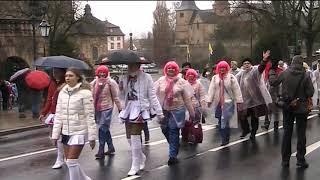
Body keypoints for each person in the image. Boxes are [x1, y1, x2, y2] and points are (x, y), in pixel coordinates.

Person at [269, 55, 314, 169]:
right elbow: (310, 92)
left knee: (287, 134)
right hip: (301, 108)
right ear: (301, 63)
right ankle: (300, 159)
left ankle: (285, 160)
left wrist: (272, 71)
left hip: (288, 107)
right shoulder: (306, 75)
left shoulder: (285, 73)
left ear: (292, 62)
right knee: (301, 134)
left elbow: (273, 83)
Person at [119, 62, 163, 176]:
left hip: (140, 109)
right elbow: (122, 96)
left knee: (134, 137)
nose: (131, 67)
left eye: (133, 65)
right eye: (129, 65)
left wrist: (159, 112)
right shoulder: (124, 77)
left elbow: (152, 95)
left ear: (139, 66)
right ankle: (141, 156)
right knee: (129, 138)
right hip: (128, 109)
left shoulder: (146, 77)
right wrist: (121, 87)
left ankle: (135, 165)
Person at [51, 68, 97, 180]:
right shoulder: (62, 92)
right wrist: (55, 135)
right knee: (69, 161)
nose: (67, 78)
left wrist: (92, 137)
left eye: (71, 76)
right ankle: (84, 178)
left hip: (79, 131)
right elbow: (58, 115)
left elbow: (90, 116)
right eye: (66, 76)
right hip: (66, 131)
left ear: (78, 77)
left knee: (71, 161)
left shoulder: (85, 93)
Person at [154, 61, 195, 165]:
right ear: (166, 69)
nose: (171, 70)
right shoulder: (160, 80)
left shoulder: (182, 82)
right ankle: (174, 145)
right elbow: (153, 94)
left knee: (173, 130)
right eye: (169, 68)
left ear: (176, 70)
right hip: (164, 109)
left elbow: (187, 99)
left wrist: (192, 113)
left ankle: (172, 156)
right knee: (164, 129)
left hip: (177, 110)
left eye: (173, 68)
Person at [236, 51, 272, 141]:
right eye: (244, 64)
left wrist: (264, 60)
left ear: (251, 64)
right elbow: (234, 82)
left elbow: (261, 68)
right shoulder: (240, 74)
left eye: (248, 63)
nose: (246, 65)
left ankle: (253, 133)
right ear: (242, 65)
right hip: (245, 100)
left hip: (255, 100)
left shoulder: (255, 71)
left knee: (254, 118)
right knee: (242, 117)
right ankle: (246, 130)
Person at [207, 61, 243, 146]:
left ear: (226, 68)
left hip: (228, 102)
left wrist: (239, 101)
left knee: (225, 120)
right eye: (220, 68)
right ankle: (224, 137)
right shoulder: (215, 78)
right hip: (218, 102)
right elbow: (211, 89)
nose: (222, 69)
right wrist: (209, 100)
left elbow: (236, 89)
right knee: (220, 120)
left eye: (224, 67)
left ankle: (225, 138)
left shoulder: (231, 77)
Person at [91, 65, 122, 159]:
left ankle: (101, 149)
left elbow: (116, 97)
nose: (101, 74)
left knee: (102, 128)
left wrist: (120, 108)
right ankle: (111, 147)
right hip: (97, 108)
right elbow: (89, 91)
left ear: (106, 73)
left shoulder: (110, 82)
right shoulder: (95, 82)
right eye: (100, 72)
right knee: (104, 128)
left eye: (103, 72)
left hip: (107, 108)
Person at [39, 68, 66, 169]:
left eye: (57, 72)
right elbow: (49, 100)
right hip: (54, 114)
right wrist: (44, 112)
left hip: (65, 114)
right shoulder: (52, 83)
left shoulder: (67, 84)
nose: (55, 74)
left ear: (63, 72)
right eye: (54, 72)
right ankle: (61, 156)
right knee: (54, 137)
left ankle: (63, 157)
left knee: (63, 137)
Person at [183, 68, 207, 143]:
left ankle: (194, 136)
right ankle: (186, 136)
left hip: (195, 107)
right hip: (185, 107)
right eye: (189, 75)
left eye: (192, 75)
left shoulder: (198, 84)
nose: (190, 76)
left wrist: (203, 107)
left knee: (195, 123)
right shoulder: (184, 84)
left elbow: (202, 95)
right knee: (186, 123)